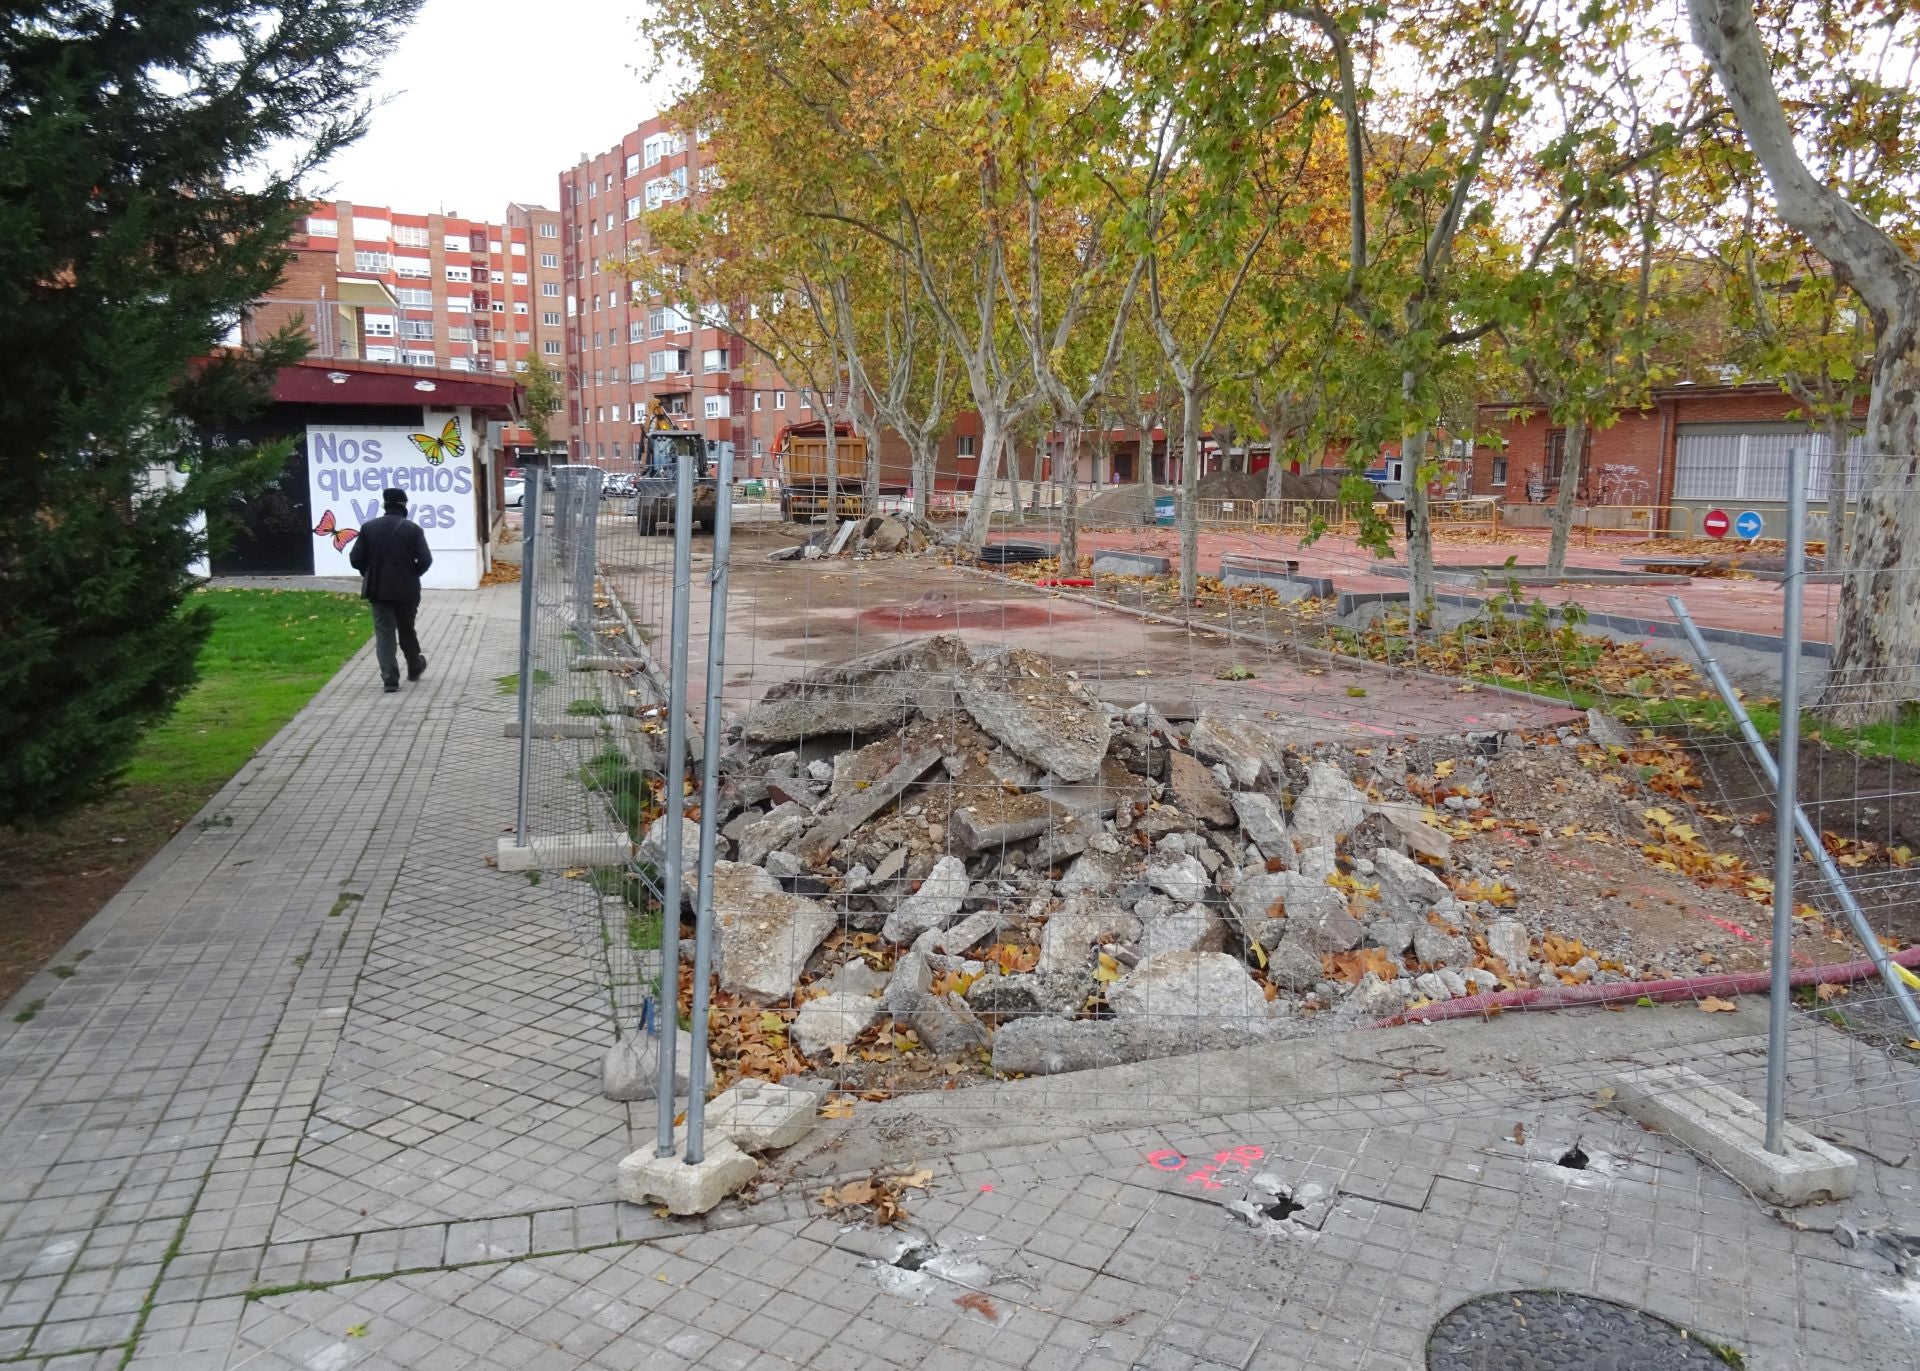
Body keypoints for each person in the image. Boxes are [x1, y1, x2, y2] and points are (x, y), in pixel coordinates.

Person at [349, 487, 433, 693]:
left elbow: (355, 558)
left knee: (384, 633)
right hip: (407, 590)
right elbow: (425, 559)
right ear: (404, 506)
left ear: (385, 506)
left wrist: (368, 572)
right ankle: (414, 666)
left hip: (379, 590)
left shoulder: (369, 528)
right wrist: (412, 574)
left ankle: (389, 678)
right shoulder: (413, 529)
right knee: (407, 629)